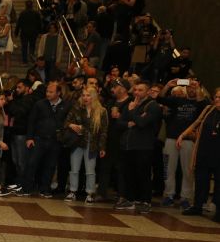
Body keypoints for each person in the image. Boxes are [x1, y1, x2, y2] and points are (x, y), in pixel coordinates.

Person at [158, 79, 208, 208]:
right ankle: (168, 195)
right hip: (171, 138)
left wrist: (197, 88)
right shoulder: (178, 100)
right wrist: (168, 85)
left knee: (188, 170)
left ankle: (186, 197)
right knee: (168, 168)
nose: (191, 89)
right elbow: (160, 98)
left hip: (189, 140)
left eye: (194, 86)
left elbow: (203, 104)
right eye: (189, 86)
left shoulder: (201, 103)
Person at [116, 81, 163, 214]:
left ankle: (145, 201)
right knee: (129, 174)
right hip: (128, 145)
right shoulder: (131, 104)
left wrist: (133, 113)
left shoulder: (152, 106)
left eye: (140, 90)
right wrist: (129, 123)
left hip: (143, 146)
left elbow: (142, 123)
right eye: (135, 90)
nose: (136, 92)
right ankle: (130, 199)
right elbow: (119, 123)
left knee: (143, 174)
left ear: (148, 92)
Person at [17, 81, 70, 198]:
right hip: (39, 139)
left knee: (50, 166)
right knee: (32, 164)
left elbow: (67, 122)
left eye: (51, 92)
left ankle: (45, 189)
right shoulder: (40, 104)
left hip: (55, 141)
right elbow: (32, 121)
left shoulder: (65, 106)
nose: (48, 94)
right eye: (47, 91)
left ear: (58, 93)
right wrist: (29, 138)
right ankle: (26, 188)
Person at [180, 88, 220, 222]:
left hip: (218, 154)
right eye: (216, 96)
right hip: (204, 151)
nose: (217, 99)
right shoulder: (209, 109)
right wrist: (183, 135)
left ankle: (219, 210)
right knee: (201, 179)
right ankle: (197, 206)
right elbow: (196, 122)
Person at [63, 87, 108, 204]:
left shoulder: (101, 111)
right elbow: (66, 122)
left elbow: (104, 131)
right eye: (83, 95)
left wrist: (102, 147)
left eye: (88, 95)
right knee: (74, 169)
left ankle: (90, 193)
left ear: (94, 96)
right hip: (77, 142)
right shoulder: (76, 108)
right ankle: (72, 191)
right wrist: (71, 125)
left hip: (92, 143)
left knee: (90, 170)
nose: (85, 98)